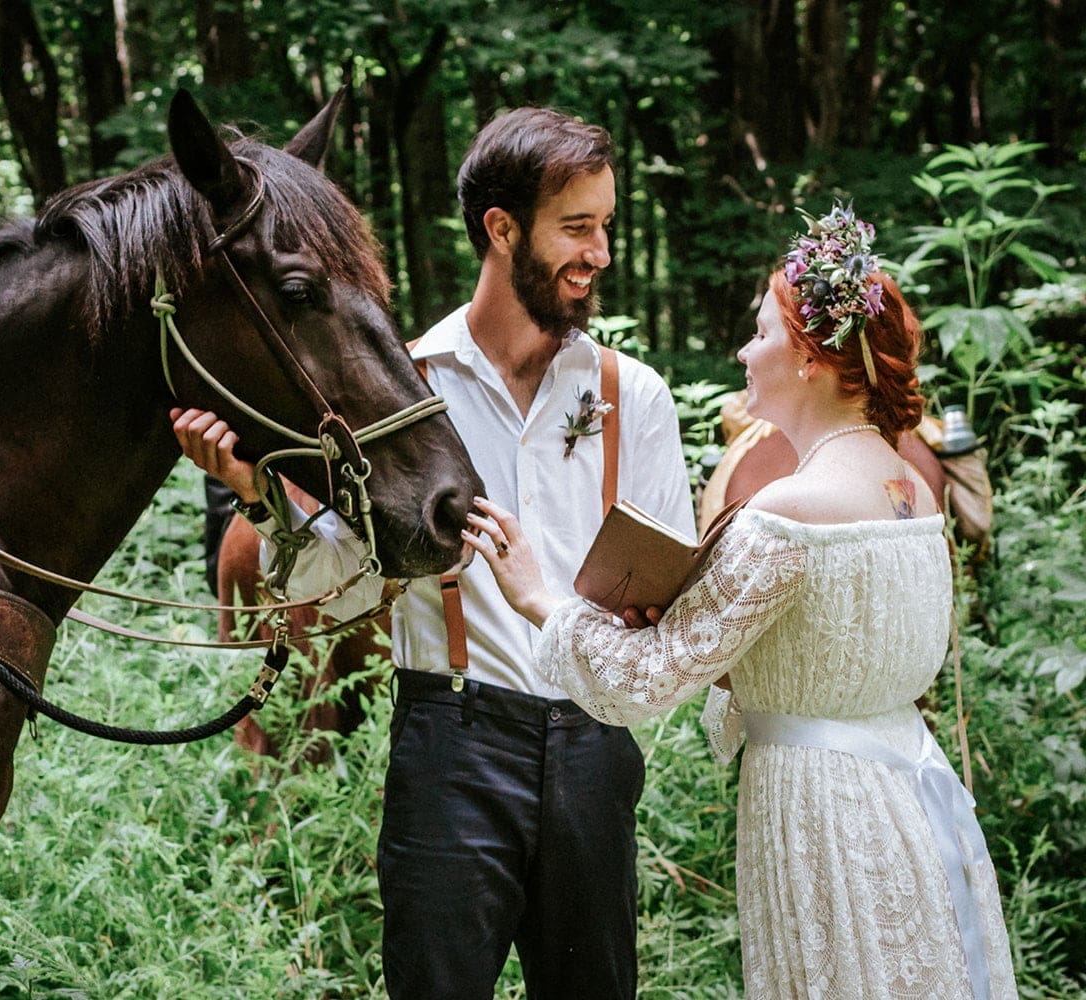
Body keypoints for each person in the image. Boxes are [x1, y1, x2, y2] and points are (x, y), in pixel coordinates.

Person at [172, 107, 692, 999]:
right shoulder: (401, 385)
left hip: (593, 743)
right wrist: (260, 499)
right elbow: (329, 593)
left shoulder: (631, 395)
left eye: (605, 226)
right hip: (452, 744)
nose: (600, 252)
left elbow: (665, 604)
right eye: (577, 227)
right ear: (501, 229)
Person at [465, 204, 1018, 998]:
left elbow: (645, 681)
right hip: (909, 795)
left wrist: (538, 597)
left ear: (808, 360)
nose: (743, 351)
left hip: (825, 812)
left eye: (760, 333)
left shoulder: (788, 513)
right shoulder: (908, 496)